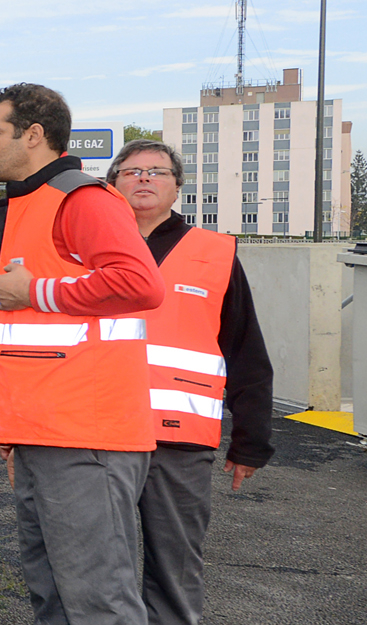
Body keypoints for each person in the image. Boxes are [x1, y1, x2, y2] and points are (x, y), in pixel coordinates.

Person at [0, 83, 166, 625]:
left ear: (33, 136)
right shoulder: (28, 207)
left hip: (86, 439)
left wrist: (36, 291)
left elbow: (140, 284)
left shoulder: (81, 199)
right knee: (53, 599)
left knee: (99, 604)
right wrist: (14, 436)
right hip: (44, 436)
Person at [105, 140, 274, 625]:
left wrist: (250, 442)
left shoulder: (213, 254)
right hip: (99, 433)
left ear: (177, 186)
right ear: (112, 185)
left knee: (174, 571)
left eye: (157, 171)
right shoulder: (90, 248)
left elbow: (246, 351)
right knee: (98, 572)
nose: (143, 179)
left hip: (179, 440)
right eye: (131, 171)